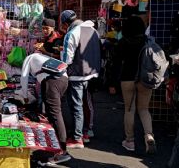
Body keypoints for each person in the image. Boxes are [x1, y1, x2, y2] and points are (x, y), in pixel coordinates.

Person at [109, 15, 156, 154]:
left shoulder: (123, 42)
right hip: (145, 79)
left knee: (129, 110)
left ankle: (130, 141)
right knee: (144, 109)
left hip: (127, 79)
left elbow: (116, 64)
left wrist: (112, 83)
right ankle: (149, 135)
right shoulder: (147, 41)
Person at [60, 10, 101, 149]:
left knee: (76, 106)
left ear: (66, 23)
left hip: (77, 75)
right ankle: (86, 131)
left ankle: (77, 138)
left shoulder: (71, 34)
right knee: (87, 103)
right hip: (92, 73)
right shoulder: (93, 30)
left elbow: (67, 59)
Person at [20, 53, 70, 165]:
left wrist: (25, 96)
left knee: (55, 113)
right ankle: (56, 144)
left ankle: (62, 151)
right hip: (64, 79)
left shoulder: (29, 59)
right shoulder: (42, 57)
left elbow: (24, 78)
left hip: (52, 81)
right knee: (53, 113)